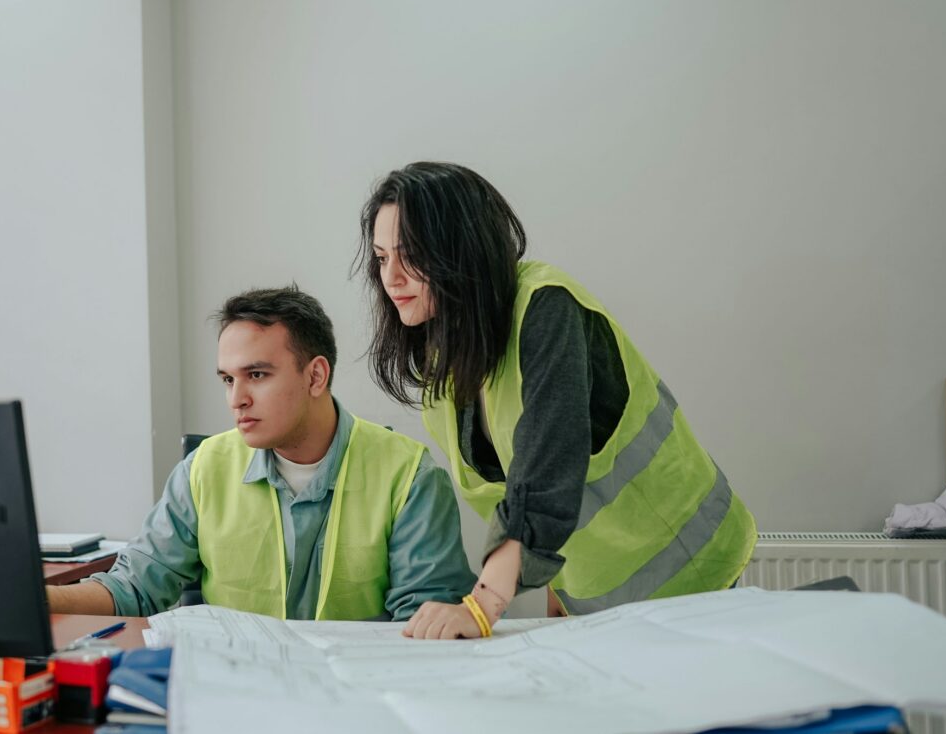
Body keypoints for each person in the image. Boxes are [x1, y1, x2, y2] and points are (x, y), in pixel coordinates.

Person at [355, 162, 756, 640]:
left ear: (461, 250)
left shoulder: (546, 308)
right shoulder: (445, 357)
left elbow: (546, 474)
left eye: (411, 256)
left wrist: (481, 607)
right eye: (380, 258)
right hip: (596, 601)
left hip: (691, 570)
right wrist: (556, 599)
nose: (391, 277)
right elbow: (519, 495)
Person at [46, 285, 476, 620]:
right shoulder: (202, 471)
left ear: (316, 376)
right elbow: (134, 588)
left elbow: (427, 621)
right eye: (228, 380)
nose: (237, 399)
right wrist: (36, 598)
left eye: (256, 374)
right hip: (233, 700)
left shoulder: (408, 476)